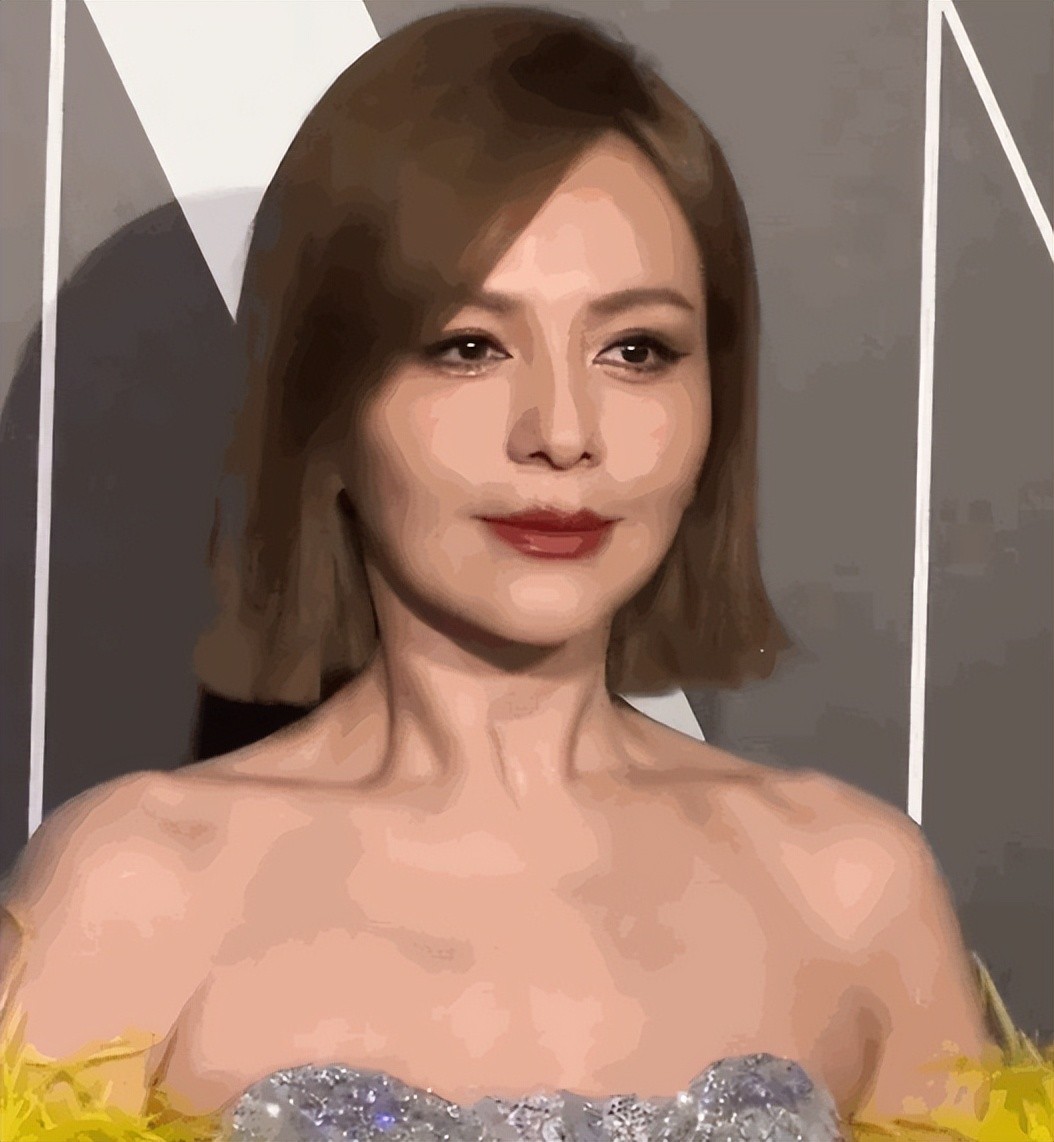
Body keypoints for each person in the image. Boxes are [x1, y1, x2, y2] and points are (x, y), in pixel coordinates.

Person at [2, 6, 1031, 1140]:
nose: (562, 432)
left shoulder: (853, 890)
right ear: (327, 402)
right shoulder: (141, 891)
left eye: (636, 350)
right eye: (468, 346)